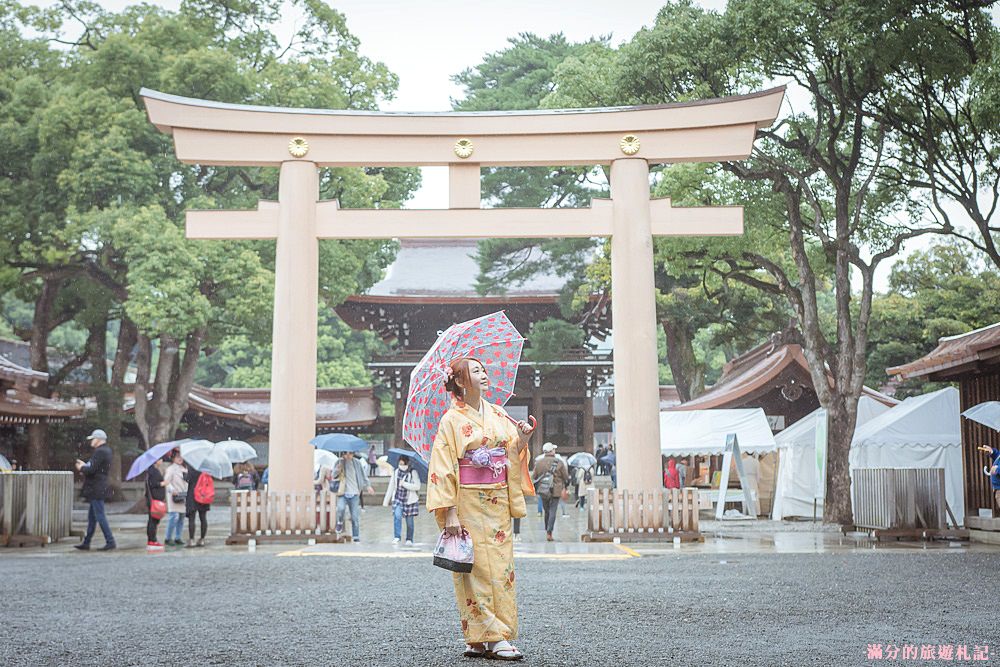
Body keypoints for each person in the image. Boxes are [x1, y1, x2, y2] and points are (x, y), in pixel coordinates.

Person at [427, 356, 535, 661]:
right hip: (468, 501)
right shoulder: (451, 420)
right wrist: (448, 511)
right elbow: (443, 466)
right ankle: (490, 636)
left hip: (498, 500)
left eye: (484, 369)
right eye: (476, 371)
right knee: (472, 568)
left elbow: (511, 450)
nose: (484, 374)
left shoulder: (498, 413)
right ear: (460, 382)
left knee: (501, 568)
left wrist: (522, 439)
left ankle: (484, 637)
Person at [74, 429, 116, 551]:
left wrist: (82, 468)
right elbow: (95, 467)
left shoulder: (100, 452)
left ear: (98, 439)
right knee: (92, 517)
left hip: (96, 487)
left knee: (99, 516)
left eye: (93, 439)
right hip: (99, 486)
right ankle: (87, 542)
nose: (91, 441)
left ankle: (110, 541)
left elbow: (92, 470)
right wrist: (85, 466)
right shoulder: (106, 451)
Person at [333, 450, 374, 542]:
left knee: (355, 516)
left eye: (350, 453)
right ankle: (339, 522)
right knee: (340, 508)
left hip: (354, 493)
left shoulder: (357, 463)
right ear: (343, 454)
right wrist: (338, 470)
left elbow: (363, 476)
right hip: (342, 492)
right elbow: (333, 475)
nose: (348, 455)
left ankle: (356, 536)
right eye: (346, 453)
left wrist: (368, 486)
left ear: (353, 454)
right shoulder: (339, 462)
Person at [532, 442, 570, 542]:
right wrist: (565, 486)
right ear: (551, 451)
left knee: (547, 510)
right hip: (556, 490)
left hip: (543, 489)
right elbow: (565, 476)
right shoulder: (559, 462)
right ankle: (549, 532)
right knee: (553, 510)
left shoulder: (539, 462)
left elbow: (534, 476)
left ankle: (547, 529)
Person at [383, 455, 421, 545]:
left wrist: (404, 484)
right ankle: (397, 537)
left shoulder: (413, 472)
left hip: (410, 501)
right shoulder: (396, 472)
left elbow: (417, 486)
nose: (401, 465)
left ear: (407, 462)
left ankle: (409, 539)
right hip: (398, 499)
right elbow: (391, 486)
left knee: (409, 522)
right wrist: (386, 501)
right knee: (397, 516)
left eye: (402, 463)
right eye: (399, 463)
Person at [164, 450, 187, 546]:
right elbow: (166, 481)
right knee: (173, 517)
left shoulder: (185, 469)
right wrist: (172, 490)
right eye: (177, 456)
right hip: (174, 496)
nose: (180, 458)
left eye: (181, 456)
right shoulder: (171, 469)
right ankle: (168, 537)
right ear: (173, 458)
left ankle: (178, 537)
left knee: (181, 517)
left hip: (183, 495)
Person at [185, 467, 211, 548]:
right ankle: (202, 539)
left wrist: (184, 475)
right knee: (203, 517)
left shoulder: (192, 466)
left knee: (192, 518)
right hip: (204, 494)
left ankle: (192, 539)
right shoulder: (206, 468)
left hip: (193, 494)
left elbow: (188, 478)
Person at [145, 459, 167, 548]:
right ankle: (152, 540)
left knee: (154, 520)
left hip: (156, 499)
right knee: (153, 520)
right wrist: (162, 483)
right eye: (160, 459)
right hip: (154, 499)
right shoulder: (152, 471)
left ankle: (152, 539)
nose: (161, 461)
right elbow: (153, 484)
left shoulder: (153, 470)